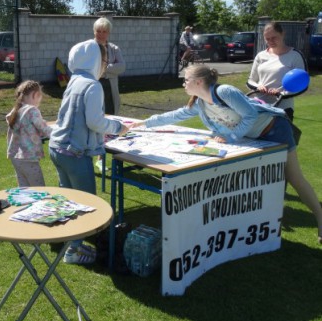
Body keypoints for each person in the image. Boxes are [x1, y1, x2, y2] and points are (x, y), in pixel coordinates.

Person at [127, 65, 322, 244]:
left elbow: (251, 115)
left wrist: (231, 136)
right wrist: (145, 123)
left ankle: (320, 219)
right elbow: (175, 115)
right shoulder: (200, 103)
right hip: (251, 137)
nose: (183, 84)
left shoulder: (225, 91)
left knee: (294, 177)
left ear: (198, 82)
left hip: (275, 130)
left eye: (186, 80)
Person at [49, 40, 129, 264]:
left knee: (69, 198)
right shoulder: (92, 85)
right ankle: (73, 251)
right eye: (104, 60)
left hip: (57, 147)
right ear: (95, 60)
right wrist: (118, 128)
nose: (105, 65)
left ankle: (69, 238)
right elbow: (94, 121)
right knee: (86, 202)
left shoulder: (74, 80)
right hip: (74, 152)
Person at [247, 22, 308, 121]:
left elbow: (303, 85)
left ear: (282, 34)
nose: (270, 41)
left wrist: (281, 93)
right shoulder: (260, 56)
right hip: (259, 107)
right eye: (267, 39)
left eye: (274, 37)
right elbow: (250, 81)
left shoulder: (295, 56)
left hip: (283, 109)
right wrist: (258, 86)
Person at [93, 17, 126, 172]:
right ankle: (93, 155)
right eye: (98, 31)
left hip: (110, 89)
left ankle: (105, 158)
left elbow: (121, 67)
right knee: (95, 120)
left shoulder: (114, 48)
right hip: (94, 88)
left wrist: (104, 69)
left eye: (104, 31)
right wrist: (108, 68)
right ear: (94, 31)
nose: (101, 34)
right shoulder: (89, 47)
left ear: (109, 33)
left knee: (111, 119)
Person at [6, 80, 52, 186]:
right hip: (28, 157)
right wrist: (59, 133)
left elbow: (26, 128)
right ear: (36, 95)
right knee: (39, 189)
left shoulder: (16, 110)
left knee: (24, 190)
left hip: (15, 156)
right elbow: (44, 130)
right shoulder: (32, 110)